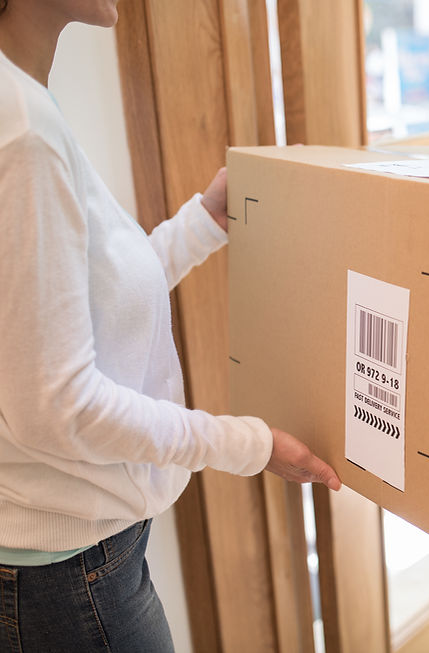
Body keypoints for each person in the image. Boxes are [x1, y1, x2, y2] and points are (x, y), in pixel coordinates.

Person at [0, 2, 341, 651]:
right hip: (72, 585)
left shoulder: (23, 103)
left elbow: (82, 306)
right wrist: (251, 444)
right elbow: (59, 406)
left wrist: (202, 222)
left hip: (73, 568)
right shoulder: (21, 129)